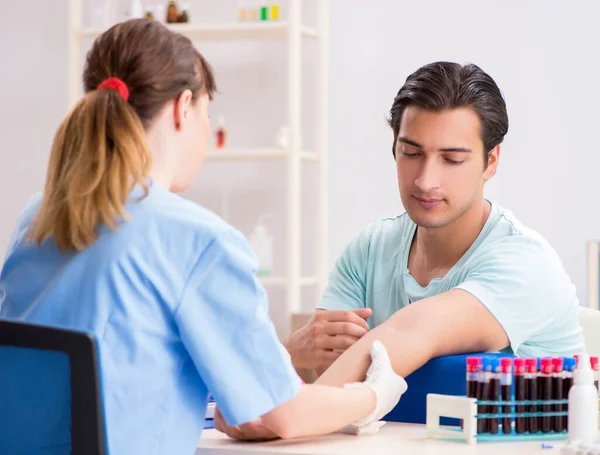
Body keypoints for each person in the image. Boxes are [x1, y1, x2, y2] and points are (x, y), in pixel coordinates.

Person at [0, 19, 408, 454]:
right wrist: (372, 396)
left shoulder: (37, 217)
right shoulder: (197, 240)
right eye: (207, 115)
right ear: (184, 107)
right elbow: (281, 413)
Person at [284, 61, 586, 387]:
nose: (426, 181)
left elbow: (412, 334)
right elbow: (326, 375)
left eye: (452, 160)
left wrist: (280, 371)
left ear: (491, 161)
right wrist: (293, 353)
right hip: (396, 438)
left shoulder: (525, 264)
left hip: (520, 438)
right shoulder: (370, 249)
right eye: (412, 153)